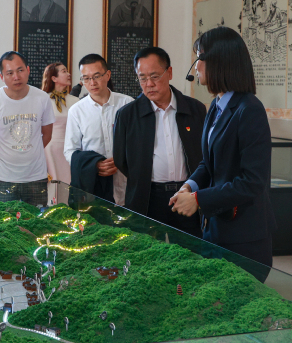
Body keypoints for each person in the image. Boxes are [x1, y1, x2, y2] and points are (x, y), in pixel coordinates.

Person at [170, 26, 277, 271]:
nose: (196, 67)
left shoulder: (249, 109)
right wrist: (190, 186)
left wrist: (198, 200)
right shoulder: (216, 105)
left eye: (200, 58)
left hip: (244, 236)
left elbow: (252, 181)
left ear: (220, 61)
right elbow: (209, 163)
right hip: (216, 227)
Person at [113, 47, 206, 237]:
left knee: (189, 250)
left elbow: (204, 155)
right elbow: (121, 160)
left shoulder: (195, 110)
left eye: (154, 76)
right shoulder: (127, 115)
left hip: (186, 195)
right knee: (147, 251)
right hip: (147, 198)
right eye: (142, 78)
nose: (149, 84)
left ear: (169, 73)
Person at [0, 51, 55, 207]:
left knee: (35, 220)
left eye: (20, 70)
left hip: (36, 177)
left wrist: (30, 153)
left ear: (28, 70)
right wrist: (3, 159)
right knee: (2, 220)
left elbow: (47, 135)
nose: (16, 77)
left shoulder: (42, 99)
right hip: (3, 179)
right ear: (2, 77)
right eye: (10, 73)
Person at [64, 54, 132, 204]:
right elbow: (70, 151)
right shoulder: (76, 111)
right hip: (94, 185)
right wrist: (94, 165)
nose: (92, 83)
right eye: (86, 78)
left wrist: (123, 160)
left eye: (96, 76)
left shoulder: (127, 104)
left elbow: (140, 144)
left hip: (126, 184)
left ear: (108, 75)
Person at [41, 62, 78, 186]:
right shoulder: (43, 100)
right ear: (54, 78)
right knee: (53, 184)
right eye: (64, 71)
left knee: (69, 183)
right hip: (49, 148)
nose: (69, 74)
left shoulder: (75, 101)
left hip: (70, 148)